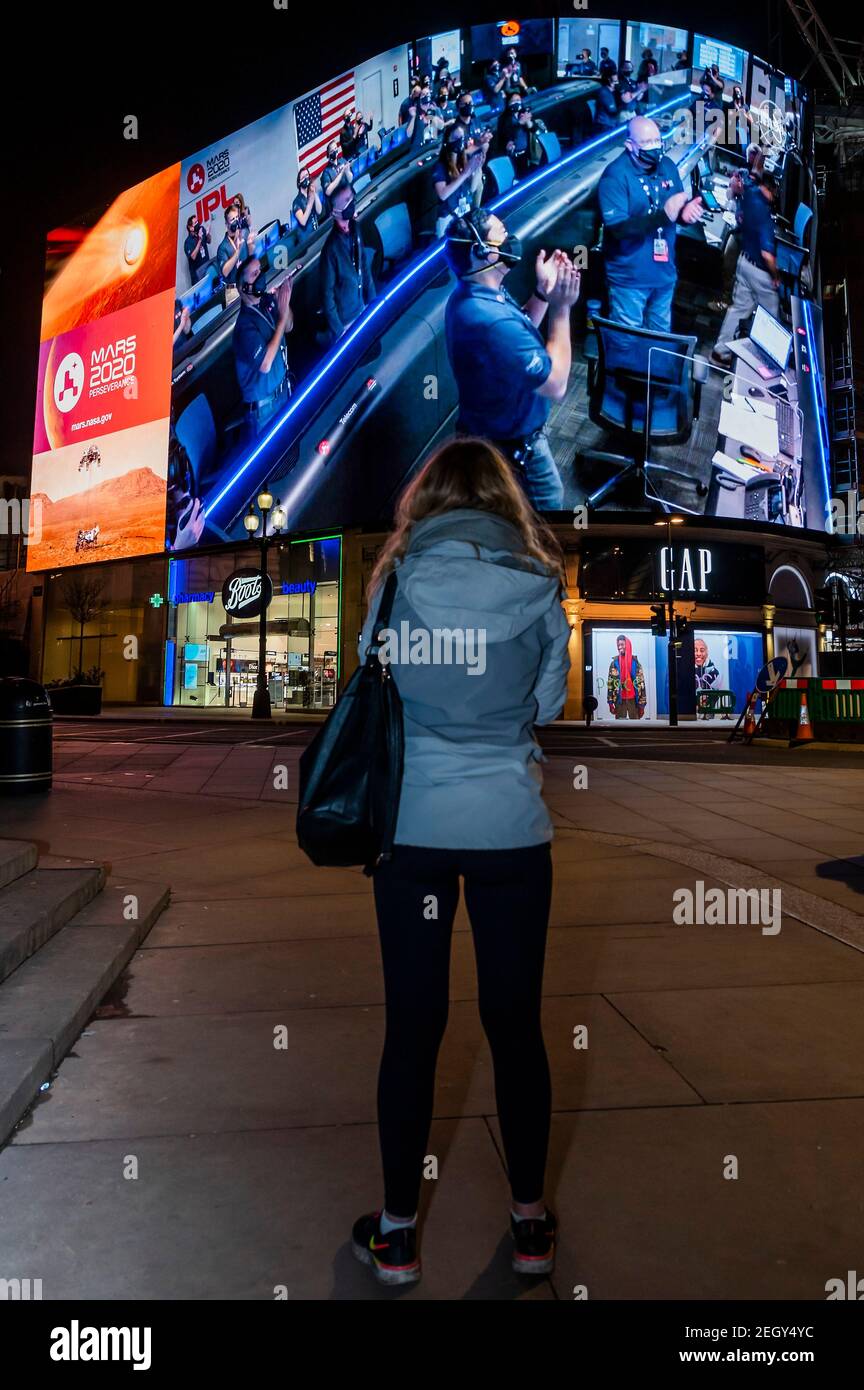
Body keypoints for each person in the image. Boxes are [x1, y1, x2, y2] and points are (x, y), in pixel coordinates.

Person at [350, 436, 572, 1287]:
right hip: (512, 831)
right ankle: (528, 1227)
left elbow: (373, 687)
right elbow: (547, 702)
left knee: (413, 1029)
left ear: (429, 497)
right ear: (504, 499)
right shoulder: (539, 584)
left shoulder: (400, 579)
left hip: (414, 831)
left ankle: (398, 1233)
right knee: (515, 1029)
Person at [444, 208, 582, 511]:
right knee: (546, 511)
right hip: (513, 448)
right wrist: (562, 308)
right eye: (502, 236)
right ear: (484, 253)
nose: (511, 240)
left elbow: (519, 330)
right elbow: (556, 384)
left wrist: (544, 294)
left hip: (495, 436)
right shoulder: (488, 320)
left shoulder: (477, 294)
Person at [598, 116, 703, 331]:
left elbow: (676, 209)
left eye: (657, 140)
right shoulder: (615, 177)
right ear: (630, 145)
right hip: (630, 280)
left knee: (659, 340)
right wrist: (664, 215)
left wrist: (685, 214)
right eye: (647, 143)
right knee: (627, 343)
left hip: (664, 275)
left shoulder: (667, 166)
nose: (654, 147)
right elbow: (618, 230)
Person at [711, 171, 780, 366]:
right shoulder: (764, 214)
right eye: (774, 192)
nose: (774, 197)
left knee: (739, 308)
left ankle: (720, 352)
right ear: (769, 189)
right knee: (771, 316)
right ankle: (766, 363)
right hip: (759, 272)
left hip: (743, 262)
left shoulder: (749, 194)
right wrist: (775, 276)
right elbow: (767, 255)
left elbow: (751, 175)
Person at [232, 257, 293, 439]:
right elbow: (265, 364)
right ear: (243, 287)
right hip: (264, 411)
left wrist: (285, 303)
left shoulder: (266, 301)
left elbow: (289, 326)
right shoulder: (244, 326)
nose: (261, 276)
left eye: (260, 270)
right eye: (254, 274)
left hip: (283, 392)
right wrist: (281, 318)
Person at [709, 142, 764, 313]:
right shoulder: (746, 174)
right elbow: (730, 195)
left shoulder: (754, 185)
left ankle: (727, 301)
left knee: (728, 262)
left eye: (751, 156)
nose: (748, 159)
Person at [320, 182, 376, 342]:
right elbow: (327, 294)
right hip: (346, 322)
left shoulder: (356, 228)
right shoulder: (330, 249)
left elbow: (364, 265)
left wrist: (373, 300)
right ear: (334, 212)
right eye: (346, 201)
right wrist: (339, 331)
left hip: (362, 307)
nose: (351, 202)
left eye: (351, 198)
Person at [433, 143, 484, 238]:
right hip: (448, 217)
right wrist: (464, 174)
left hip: (464, 214)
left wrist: (477, 168)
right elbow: (443, 195)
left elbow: (472, 189)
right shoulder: (440, 167)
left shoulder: (464, 161)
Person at [217, 203, 256, 293]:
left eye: (237, 218)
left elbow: (251, 259)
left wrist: (250, 245)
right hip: (233, 290)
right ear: (227, 224)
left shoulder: (245, 233)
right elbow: (225, 272)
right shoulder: (222, 247)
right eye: (232, 219)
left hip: (248, 281)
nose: (236, 221)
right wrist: (238, 250)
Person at [607, 635, 646, 718]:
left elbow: (641, 684)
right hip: (619, 699)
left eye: (622, 644)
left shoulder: (635, 663)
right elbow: (610, 684)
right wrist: (610, 703)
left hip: (633, 699)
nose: (620, 647)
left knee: (635, 726)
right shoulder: (614, 663)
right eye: (618, 645)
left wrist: (642, 705)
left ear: (627, 645)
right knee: (620, 727)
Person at [320, 140, 353, 213]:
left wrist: (347, 171)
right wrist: (341, 173)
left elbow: (350, 179)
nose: (335, 151)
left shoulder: (342, 161)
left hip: (348, 198)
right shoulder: (326, 172)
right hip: (337, 206)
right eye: (332, 150)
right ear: (328, 154)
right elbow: (328, 191)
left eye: (336, 148)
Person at [292, 167, 322, 239]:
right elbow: (303, 221)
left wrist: (314, 193)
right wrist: (310, 202)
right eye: (303, 177)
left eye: (307, 176)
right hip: (306, 239)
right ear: (299, 183)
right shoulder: (296, 202)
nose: (306, 178)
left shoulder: (311, 194)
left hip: (316, 232)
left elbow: (319, 211)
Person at [694, 637, 720, 716]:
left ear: (707, 652)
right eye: (695, 650)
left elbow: (717, 696)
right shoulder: (685, 672)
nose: (698, 654)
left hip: (709, 717)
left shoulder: (715, 673)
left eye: (702, 650)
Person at [183, 214, 212, 285]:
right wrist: (199, 240)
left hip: (207, 269)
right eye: (195, 223)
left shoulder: (201, 229)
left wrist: (208, 234)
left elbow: (209, 241)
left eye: (197, 221)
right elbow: (193, 256)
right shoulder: (188, 242)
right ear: (190, 228)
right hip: (197, 277)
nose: (198, 224)